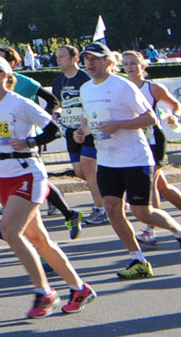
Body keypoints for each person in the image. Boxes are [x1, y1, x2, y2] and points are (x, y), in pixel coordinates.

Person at [0, 56, 91, 317]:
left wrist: (29, 142)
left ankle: (44, 291)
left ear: (3, 74)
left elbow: (54, 130)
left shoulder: (20, 103)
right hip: (3, 174)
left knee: (10, 232)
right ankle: (79, 288)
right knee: (38, 239)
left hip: (28, 173)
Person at [74, 40, 181, 279]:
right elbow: (89, 117)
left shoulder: (123, 87)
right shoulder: (86, 88)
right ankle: (138, 260)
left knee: (142, 213)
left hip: (134, 157)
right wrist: (82, 130)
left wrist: (119, 124)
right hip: (107, 159)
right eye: (87, 59)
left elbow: (149, 118)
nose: (90, 63)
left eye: (95, 59)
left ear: (109, 63)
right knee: (112, 208)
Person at [118, 49, 181, 221]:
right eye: (126, 64)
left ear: (142, 65)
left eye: (133, 63)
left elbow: (175, 104)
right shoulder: (122, 88)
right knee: (162, 186)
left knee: (150, 183)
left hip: (153, 139)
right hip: (134, 140)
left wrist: (174, 116)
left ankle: (151, 229)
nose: (129, 67)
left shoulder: (153, 88)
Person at [51, 45, 103, 227]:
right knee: (81, 172)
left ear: (74, 59)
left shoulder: (85, 79)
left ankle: (101, 208)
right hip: (70, 131)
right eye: (57, 57)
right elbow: (58, 103)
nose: (58, 60)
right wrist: (56, 113)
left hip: (88, 130)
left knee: (89, 169)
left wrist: (85, 124)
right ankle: (110, 193)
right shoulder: (58, 81)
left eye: (62, 57)